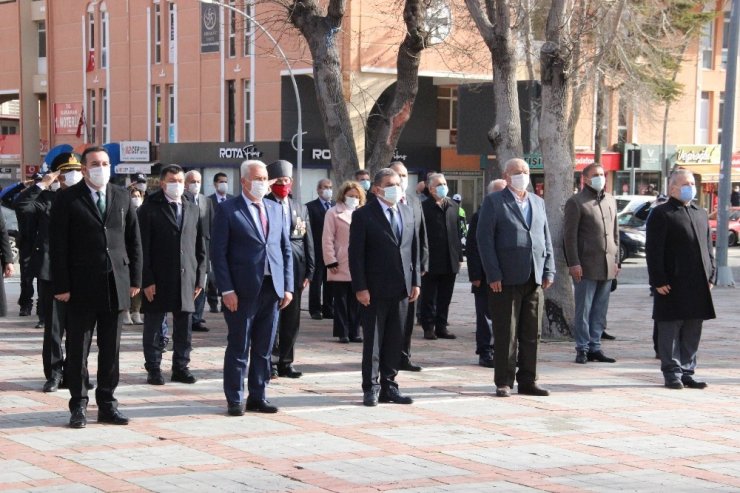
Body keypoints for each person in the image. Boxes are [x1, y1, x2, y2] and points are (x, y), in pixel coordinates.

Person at [50, 146, 142, 428]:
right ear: (84, 168)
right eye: (94, 163)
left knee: (110, 349)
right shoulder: (67, 199)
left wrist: (135, 280)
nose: (100, 167)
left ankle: (107, 403)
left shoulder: (122, 195)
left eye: (104, 163)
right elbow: (58, 245)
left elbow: (133, 240)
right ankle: (78, 405)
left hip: (115, 284)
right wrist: (62, 284)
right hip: (79, 287)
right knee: (78, 348)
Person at [211, 160, 293, 416]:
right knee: (239, 346)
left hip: (272, 288)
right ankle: (235, 398)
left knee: (264, 346)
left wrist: (287, 286)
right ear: (245, 181)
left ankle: (259, 395)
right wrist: (226, 290)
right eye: (258, 179)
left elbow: (284, 249)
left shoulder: (275, 208)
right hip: (241, 291)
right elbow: (218, 254)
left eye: (265, 178)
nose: (263, 183)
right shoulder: (228, 210)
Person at [477, 158, 554, 398]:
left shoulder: (538, 202)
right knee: (506, 332)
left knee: (532, 333)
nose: (523, 175)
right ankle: (504, 381)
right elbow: (485, 240)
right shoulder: (494, 202)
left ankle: (529, 379)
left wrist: (549, 269)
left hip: (534, 276)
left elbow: (545, 237)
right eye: (517, 172)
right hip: (505, 278)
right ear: (507, 175)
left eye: (526, 171)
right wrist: (493, 273)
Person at [349, 168, 420, 407]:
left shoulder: (407, 212)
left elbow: (414, 250)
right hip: (374, 289)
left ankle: (390, 385)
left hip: (402, 288)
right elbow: (355, 255)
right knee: (374, 341)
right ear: (377, 189)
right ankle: (371, 387)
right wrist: (360, 287)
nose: (397, 187)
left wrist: (416, 281)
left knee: (395, 339)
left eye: (399, 183)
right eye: (391, 184)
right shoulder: (363, 215)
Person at [16, 153, 86, 392]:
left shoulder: (86, 197)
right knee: (54, 329)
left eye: (75, 170)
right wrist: (42, 184)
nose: (72, 175)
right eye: (66, 171)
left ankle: (77, 373)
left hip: (82, 272)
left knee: (80, 330)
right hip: (52, 273)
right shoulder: (46, 198)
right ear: (57, 175)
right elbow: (21, 205)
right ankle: (54, 373)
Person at [646, 169, 715, 390]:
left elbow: (708, 247)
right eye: (686, 184)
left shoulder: (700, 212)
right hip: (671, 283)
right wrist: (658, 279)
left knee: (693, 329)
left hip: (698, 284)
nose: (691, 188)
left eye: (693, 183)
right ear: (673, 187)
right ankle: (672, 372)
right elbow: (653, 250)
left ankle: (687, 370)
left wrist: (711, 273)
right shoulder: (662, 213)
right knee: (670, 329)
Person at [138, 165, 206, 386]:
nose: (177, 184)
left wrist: (200, 277)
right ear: (163, 183)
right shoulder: (149, 208)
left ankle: (181, 366)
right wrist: (146, 279)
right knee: (154, 325)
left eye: (180, 180)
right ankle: (154, 368)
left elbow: (200, 245)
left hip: (186, 276)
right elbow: (142, 248)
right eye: (172, 180)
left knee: (184, 325)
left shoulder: (191, 207)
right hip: (158, 276)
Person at [564, 163, 619, 364]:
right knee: (584, 310)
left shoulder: (611, 200)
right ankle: (582, 347)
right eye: (595, 175)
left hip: (607, 264)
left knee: (600, 310)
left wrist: (617, 260)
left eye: (602, 174)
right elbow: (569, 237)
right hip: (585, 265)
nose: (600, 178)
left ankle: (596, 346)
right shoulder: (576, 202)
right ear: (585, 179)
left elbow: (615, 233)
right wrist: (574, 263)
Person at [265, 159, 314, 378]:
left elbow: (307, 240)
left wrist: (310, 270)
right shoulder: (265, 204)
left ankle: (286, 361)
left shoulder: (299, 207)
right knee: (271, 318)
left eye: (286, 181)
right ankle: (271, 362)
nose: (283, 185)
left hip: (296, 269)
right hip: (272, 268)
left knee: (291, 320)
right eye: (279, 181)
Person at [390, 161, 428, 372]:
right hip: (389, 270)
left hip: (411, 270)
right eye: (398, 175)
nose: (402, 179)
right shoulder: (378, 202)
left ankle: (404, 355)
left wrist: (423, 262)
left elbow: (421, 235)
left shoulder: (414, 202)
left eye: (405, 175)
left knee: (408, 317)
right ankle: (389, 356)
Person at [467, 179, 506, 368]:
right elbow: (473, 247)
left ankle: (501, 350)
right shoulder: (480, 215)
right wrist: (475, 275)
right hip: (483, 276)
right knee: (485, 316)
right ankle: (485, 351)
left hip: (506, 275)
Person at [419, 173, 463, 340]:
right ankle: (428, 327)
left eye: (444, 183)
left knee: (446, 296)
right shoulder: (423, 207)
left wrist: (459, 256)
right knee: (429, 296)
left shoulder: (453, 206)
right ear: (431, 189)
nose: (443, 187)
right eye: (439, 184)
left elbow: (457, 233)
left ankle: (441, 326)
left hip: (450, 259)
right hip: (431, 260)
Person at [323, 180, 365, 344]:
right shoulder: (333, 213)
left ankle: (355, 331)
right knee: (340, 300)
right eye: (350, 195)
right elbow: (327, 238)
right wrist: (330, 260)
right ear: (343, 195)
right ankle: (343, 332)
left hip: (359, 262)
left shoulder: (363, 212)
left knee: (357, 300)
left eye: (356, 196)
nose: (353, 199)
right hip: (339, 261)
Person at [184, 170, 213, 332]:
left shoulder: (206, 201)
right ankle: (187, 314)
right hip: (188, 248)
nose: (196, 184)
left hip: (204, 249)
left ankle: (197, 318)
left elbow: (212, 224)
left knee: (202, 284)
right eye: (192, 181)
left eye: (198, 181)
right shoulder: (182, 200)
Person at [306, 178, 335, 320]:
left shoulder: (336, 206)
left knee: (330, 282)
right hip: (317, 251)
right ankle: (315, 309)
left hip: (332, 252)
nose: (328, 190)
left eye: (330, 187)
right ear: (318, 189)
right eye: (325, 187)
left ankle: (329, 309)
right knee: (316, 282)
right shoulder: (310, 207)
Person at [206, 172, 233, 313]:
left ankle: (225, 302)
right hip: (213, 242)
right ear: (215, 183)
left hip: (229, 243)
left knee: (225, 274)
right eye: (222, 181)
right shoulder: (209, 201)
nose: (224, 184)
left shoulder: (232, 200)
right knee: (212, 277)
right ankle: (212, 303)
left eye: (226, 181)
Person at [123, 187, 145, 325]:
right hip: (125, 251)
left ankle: (136, 311)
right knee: (126, 282)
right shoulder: (124, 210)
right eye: (133, 196)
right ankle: (125, 310)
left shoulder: (144, 212)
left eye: (138, 195)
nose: (136, 198)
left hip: (139, 252)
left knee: (138, 282)